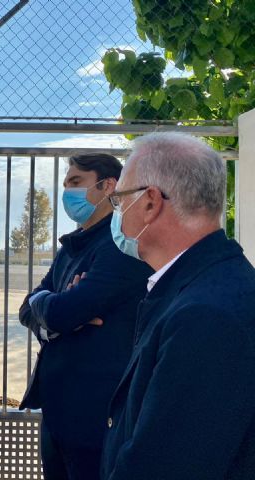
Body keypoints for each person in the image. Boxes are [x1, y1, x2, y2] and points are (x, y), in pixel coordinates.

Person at [101, 133, 255, 479]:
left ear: (150, 203)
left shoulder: (206, 316)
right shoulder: (205, 285)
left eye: (119, 199)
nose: (117, 212)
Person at [19, 153, 153, 480]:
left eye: (76, 182)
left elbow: (62, 313)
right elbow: (28, 309)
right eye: (66, 184)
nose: (68, 191)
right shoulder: (71, 247)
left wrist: (55, 309)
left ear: (108, 186)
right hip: (57, 412)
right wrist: (51, 308)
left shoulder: (120, 247)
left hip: (96, 415)